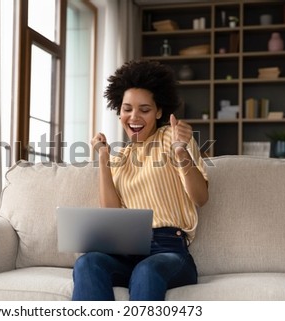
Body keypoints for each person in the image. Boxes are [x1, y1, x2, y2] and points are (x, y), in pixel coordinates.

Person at [71, 60, 209, 301]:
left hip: (168, 250)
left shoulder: (171, 138)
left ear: (158, 112)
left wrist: (180, 152)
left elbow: (201, 197)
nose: (134, 117)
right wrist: (103, 158)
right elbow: (112, 213)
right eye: (127, 109)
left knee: (146, 271)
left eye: (144, 109)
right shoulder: (120, 157)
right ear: (119, 111)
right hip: (125, 250)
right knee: (88, 263)